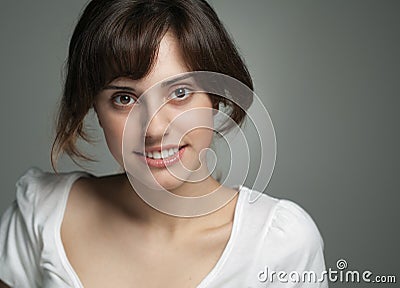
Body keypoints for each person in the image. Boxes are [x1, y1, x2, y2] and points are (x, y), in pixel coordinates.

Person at [0, 0, 328, 287]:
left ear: (214, 98)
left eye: (180, 93)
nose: (155, 128)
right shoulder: (42, 213)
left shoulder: (279, 244)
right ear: (94, 108)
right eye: (124, 98)